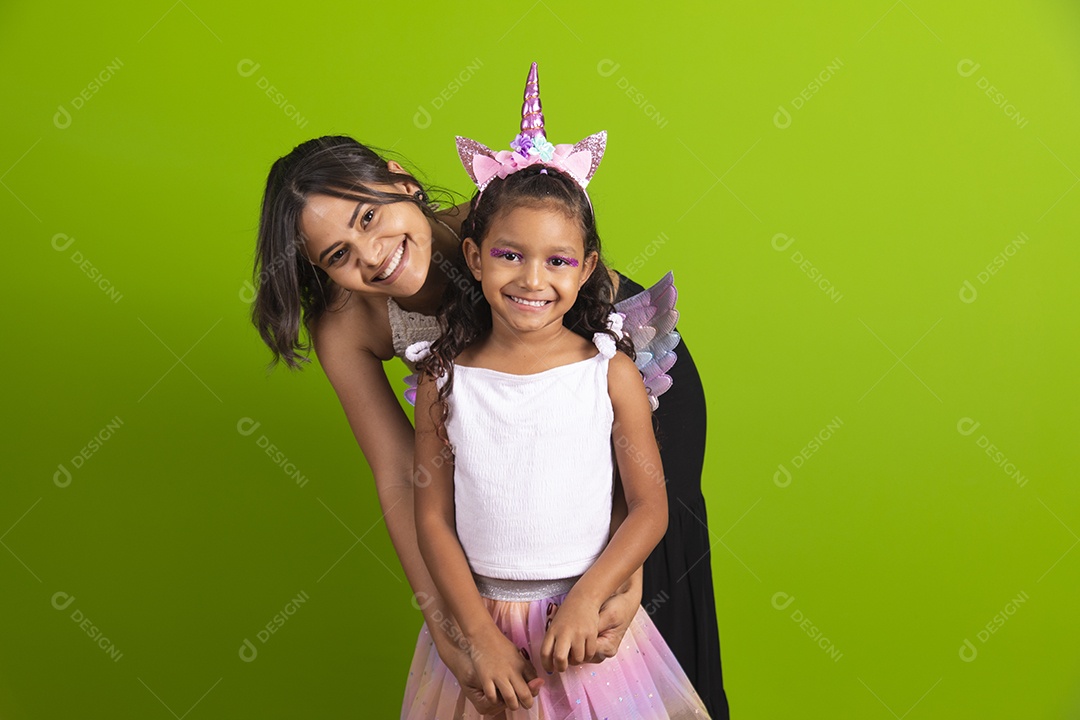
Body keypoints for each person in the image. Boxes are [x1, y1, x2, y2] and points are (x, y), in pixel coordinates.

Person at [251, 64, 728, 717]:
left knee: (641, 617)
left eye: (369, 217)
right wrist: (451, 629)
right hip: (512, 427)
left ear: (401, 181)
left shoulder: (499, 216)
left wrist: (623, 576)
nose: (372, 253)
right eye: (337, 254)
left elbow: (607, 429)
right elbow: (401, 477)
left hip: (627, 370)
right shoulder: (345, 327)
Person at [404, 132, 711, 715]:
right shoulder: (442, 380)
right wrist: (479, 636)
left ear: (587, 267)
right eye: (509, 255)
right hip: (485, 622)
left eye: (558, 261)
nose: (532, 279)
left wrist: (588, 598)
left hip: (584, 622)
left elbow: (649, 506)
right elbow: (433, 518)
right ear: (475, 256)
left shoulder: (610, 374)